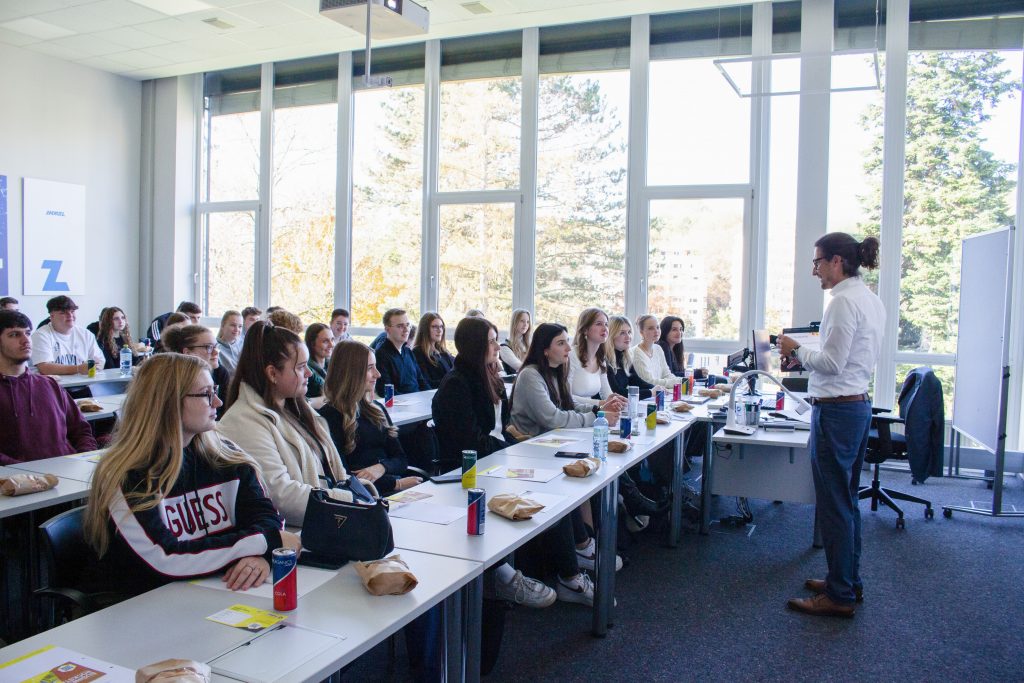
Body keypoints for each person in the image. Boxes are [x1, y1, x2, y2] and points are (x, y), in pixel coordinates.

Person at [82, 353, 300, 597]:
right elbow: (165, 557)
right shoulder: (126, 475)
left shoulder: (228, 457)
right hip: (147, 607)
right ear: (168, 402)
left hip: (216, 593)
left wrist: (262, 558)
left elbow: (268, 518)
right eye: (206, 393)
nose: (217, 402)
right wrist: (266, 543)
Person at [778, 233, 884, 618]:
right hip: (855, 408)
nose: (814, 270)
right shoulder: (870, 300)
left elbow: (832, 364)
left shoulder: (841, 303)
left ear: (837, 261)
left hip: (837, 412)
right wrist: (807, 356)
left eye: (817, 262)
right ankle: (846, 581)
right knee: (847, 501)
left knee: (835, 504)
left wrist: (795, 350)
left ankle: (839, 595)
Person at [430, 316, 557, 608]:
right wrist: (511, 449)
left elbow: (501, 428)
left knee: (554, 487)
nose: (496, 345)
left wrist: (514, 446)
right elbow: (471, 442)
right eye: (490, 340)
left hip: (496, 459)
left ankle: (569, 562)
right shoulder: (456, 385)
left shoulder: (488, 376)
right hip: (471, 471)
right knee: (543, 487)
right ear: (475, 344)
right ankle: (517, 576)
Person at [510, 322, 623, 592]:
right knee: (576, 479)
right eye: (561, 343)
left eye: (566, 342)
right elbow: (552, 418)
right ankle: (578, 554)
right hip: (529, 453)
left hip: (549, 448)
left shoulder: (554, 372)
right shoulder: (531, 375)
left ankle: (582, 545)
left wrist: (599, 405)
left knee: (588, 472)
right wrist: (597, 415)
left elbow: (568, 403)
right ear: (545, 349)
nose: (566, 348)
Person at [217, 322, 364, 526]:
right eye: (301, 367)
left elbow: (330, 474)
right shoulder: (242, 422)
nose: (309, 374)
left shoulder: (296, 410)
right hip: (295, 541)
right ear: (272, 373)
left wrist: (361, 495)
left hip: (327, 525)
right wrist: (350, 502)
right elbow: (281, 496)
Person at [318, 340, 422, 496]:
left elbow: (401, 459)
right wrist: (396, 484)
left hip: (392, 488)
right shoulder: (330, 416)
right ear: (351, 373)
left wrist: (381, 468)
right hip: (367, 497)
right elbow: (344, 477)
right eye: (370, 368)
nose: (377, 374)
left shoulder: (376, 409)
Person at [0, 310, 97, 464]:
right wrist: (30, 473)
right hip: (19, 482)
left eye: (27, 333)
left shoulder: (49, 385)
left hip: (69, 476)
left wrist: (84, 459)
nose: (26, 340)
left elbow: (81, 431)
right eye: (14, 335)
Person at [161, 324, 230, 420]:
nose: (216, 352)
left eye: (216, 346)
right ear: (187, 353)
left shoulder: (220, 373)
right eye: (208, 347)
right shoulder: (173, 380)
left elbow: (223, 412)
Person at [567, 308, 627, 411]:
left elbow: (606, 393)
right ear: (585, 329)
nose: (605, 328)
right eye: (599, 324)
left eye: (606, 324)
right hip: (572, 415)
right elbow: (565, 396)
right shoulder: (571, 356)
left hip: (592, 413)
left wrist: (616, 400)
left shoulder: (601, 359)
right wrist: (600, 403)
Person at [30, 295, 105, 376]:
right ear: (52, 316)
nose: (70, 315)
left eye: (72, 311)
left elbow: (100, 361)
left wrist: (97, 366)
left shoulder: (86, 334)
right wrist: (78, 369)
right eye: (63, 312)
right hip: (54, 386)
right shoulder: (40, 335)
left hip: (84, 385)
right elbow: (45, 368)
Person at [374, 308, 428, 395]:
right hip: (400, 405)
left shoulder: (408, 352)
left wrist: (430, 396)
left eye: (407, 325)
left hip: (417, 401)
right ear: (387, 329)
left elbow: (421, 381)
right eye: (400, 326)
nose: (406, 329)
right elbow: (385, 390)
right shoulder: (381, 354)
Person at [605, 316, 654, 400]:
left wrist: (657, 389)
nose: (628, 337)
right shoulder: (605, 360)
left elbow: (636, 381)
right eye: (622, 333)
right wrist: (650, 392)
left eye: (629, 332)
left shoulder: (624, 357)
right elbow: (616, 392)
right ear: (611, 335)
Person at [630, 314, 678, 389]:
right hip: (647, 397)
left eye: (658, 327)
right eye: (651, 328)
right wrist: (677, 383)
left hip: (661, 393)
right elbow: (648, 381)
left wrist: (681, 381)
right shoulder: (635, 353)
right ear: (641, 332)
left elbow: (667, 374)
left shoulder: (658, 348)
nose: (656, 331)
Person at [412, 313, 454, 390]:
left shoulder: (443, 351)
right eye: (435, 327)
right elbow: (425, 382)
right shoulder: (417, 352)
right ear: (425, 329)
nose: (439, 330)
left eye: (441, 326)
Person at [304, 322, 333, 407]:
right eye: (325, 341)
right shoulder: (306, 370)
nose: (331, 345)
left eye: (332, 339)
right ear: (312, 344)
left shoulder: (333, 365)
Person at [499, 308, 531, 374]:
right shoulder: (504, 347)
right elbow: (519, 366)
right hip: (513, 383)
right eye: (522, 321)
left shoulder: (529, 344)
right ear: (514, 322)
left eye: (528, 322)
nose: (525, 324)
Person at [216, 310, 245, 376]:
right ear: (223, 326)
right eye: (233, 325)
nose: (237, 329)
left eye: (240, 326)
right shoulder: (215, 347)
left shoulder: (244, 344)